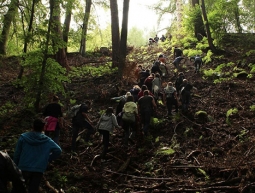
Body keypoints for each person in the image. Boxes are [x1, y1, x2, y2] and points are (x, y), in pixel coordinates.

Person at [13, 118, 62, 193]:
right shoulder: (47, 140)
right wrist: (48, 159)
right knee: (33, 190)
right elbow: (58, 150)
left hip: (23, 167)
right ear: (44, 127)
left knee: (18, 189)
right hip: (38, 169)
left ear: (33, 126)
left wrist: (15, 166)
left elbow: (17, 154)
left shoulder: (23, 137)